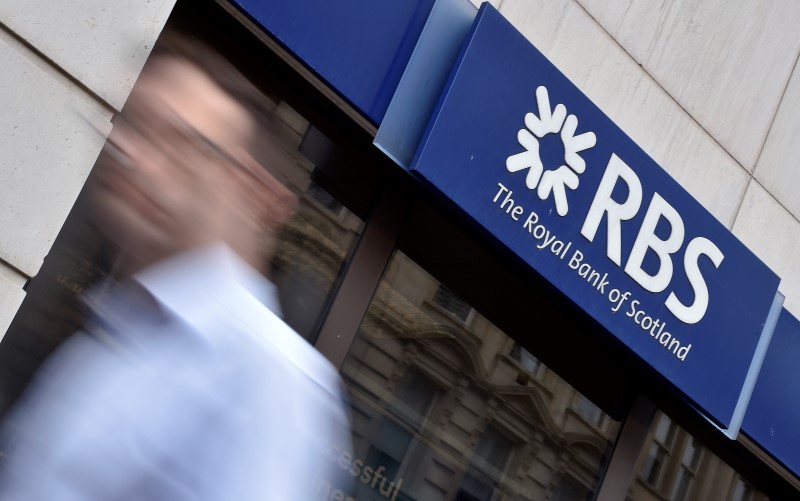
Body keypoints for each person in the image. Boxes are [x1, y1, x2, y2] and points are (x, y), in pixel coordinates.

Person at [0, 34, 351, 500]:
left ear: (252, 190)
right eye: (133, 129)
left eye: (179, 143)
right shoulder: (109, 337)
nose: (135, 159)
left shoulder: (267, 377)